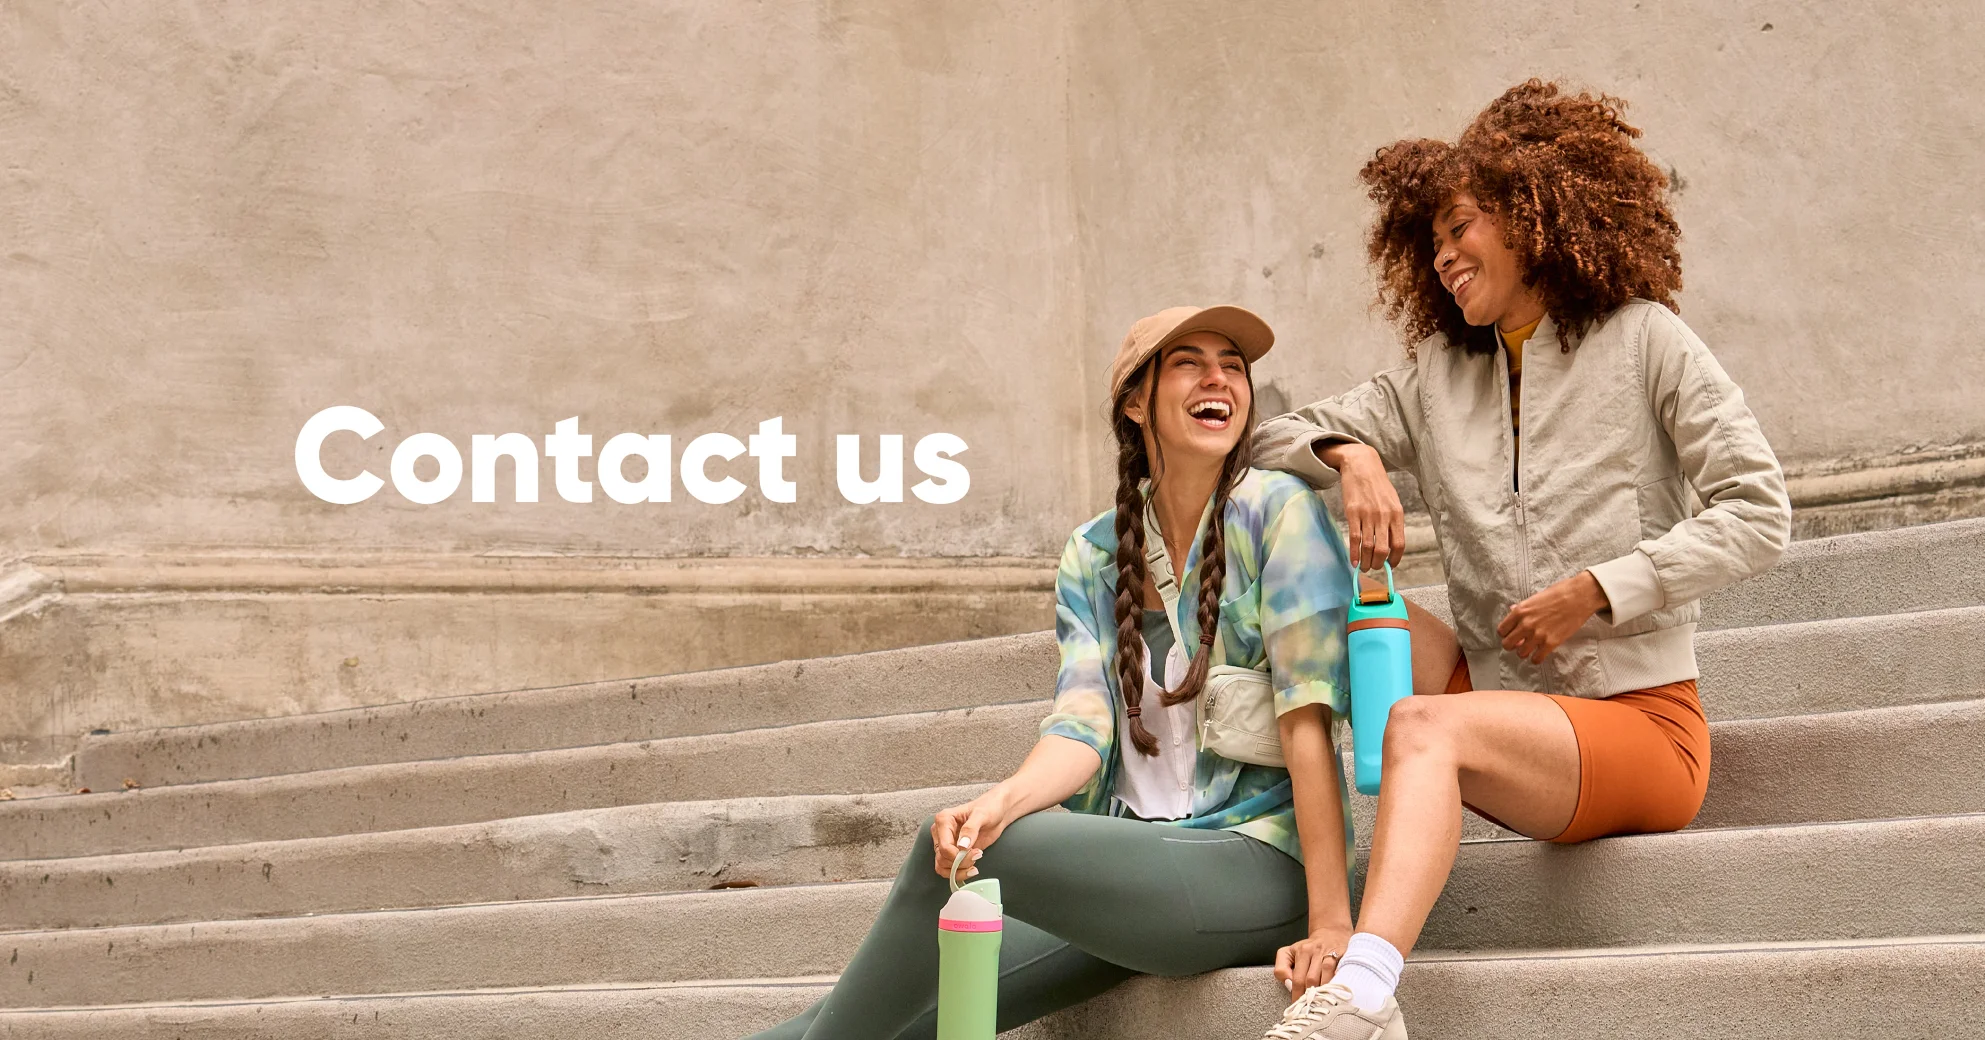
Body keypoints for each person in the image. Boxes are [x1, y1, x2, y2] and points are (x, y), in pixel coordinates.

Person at [1252, 81, 1791, 1038]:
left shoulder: (1645, 342)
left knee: (1423, 726)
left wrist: (1600, 590)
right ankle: (1280, 852)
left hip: (1638, 726)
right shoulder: (1436, 375)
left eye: (1462, 227)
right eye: (1430, 245)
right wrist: (1355, 455)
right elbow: (1272, 438)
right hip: (1507, 698)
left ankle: (1367, 994)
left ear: (1536, 214)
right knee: (1327, 609)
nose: (1445, 258)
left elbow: (1758, 511)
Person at [744, 305, 1363, 1039]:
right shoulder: (1094, 554)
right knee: (892, 1021)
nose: (1218, 379)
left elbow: (1307, 720)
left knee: (965, 856)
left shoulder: (1279, 511)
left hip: (1254, 864)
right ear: (1136, 403)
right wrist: (1001, 800)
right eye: (1189, 362)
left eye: (1232, 365)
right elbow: (1080, 728)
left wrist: (1329, 921)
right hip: (1139, 870)